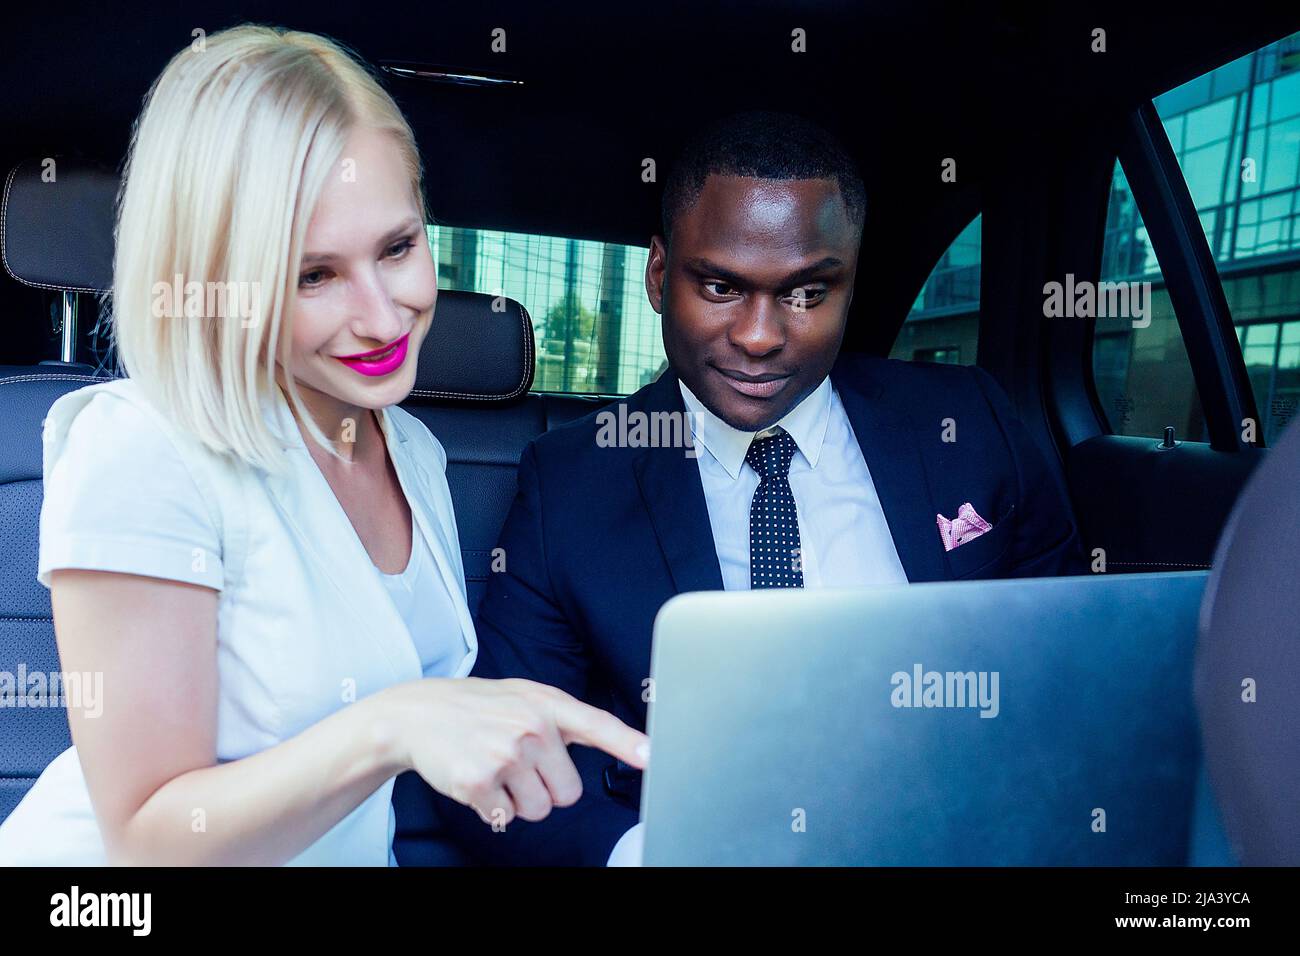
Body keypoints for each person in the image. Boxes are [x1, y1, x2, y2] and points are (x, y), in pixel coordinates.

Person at [0, 24, 645, 867]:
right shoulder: (144, 447)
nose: (384, 317)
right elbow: (150, 838)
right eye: (313, 275)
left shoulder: (408, 446)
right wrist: (393, 724)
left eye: (399, 248)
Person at [433, 110, 1088, 865]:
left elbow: (1072, 665)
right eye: (719, 285)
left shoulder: (969, 422)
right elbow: (508, 756)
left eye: (808, 292)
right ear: (657, 276)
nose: (759, 335)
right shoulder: (570, 484)